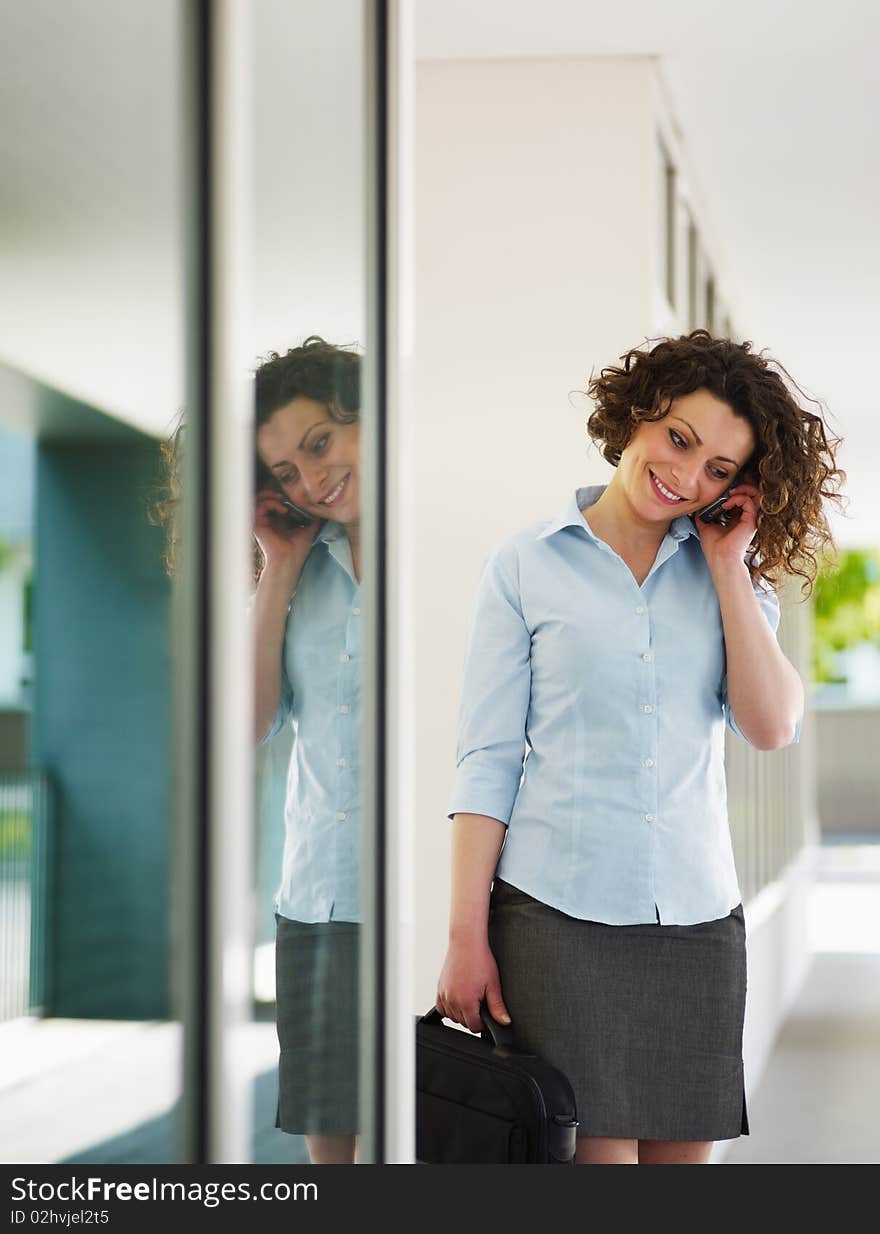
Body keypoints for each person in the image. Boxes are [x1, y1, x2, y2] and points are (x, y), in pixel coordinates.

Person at [436, 329, 846, 1166]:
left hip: (696, 923)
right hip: (556, 920)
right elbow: (486, 762)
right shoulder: (525, 565)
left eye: (720, 470)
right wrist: (463, 935)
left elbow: (771, 725)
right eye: (679, 440)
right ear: (636, 416)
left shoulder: (733, 576)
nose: (688, 477)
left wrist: (730, 564)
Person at [152, 335, 363, 1166]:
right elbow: (242, 725)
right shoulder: (297, 571)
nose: (309, 478)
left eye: (319, 443)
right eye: (283, 470)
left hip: (443, 896)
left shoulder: (454, 560)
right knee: (336, 1156)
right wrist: (278, 564)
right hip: (322, 899)